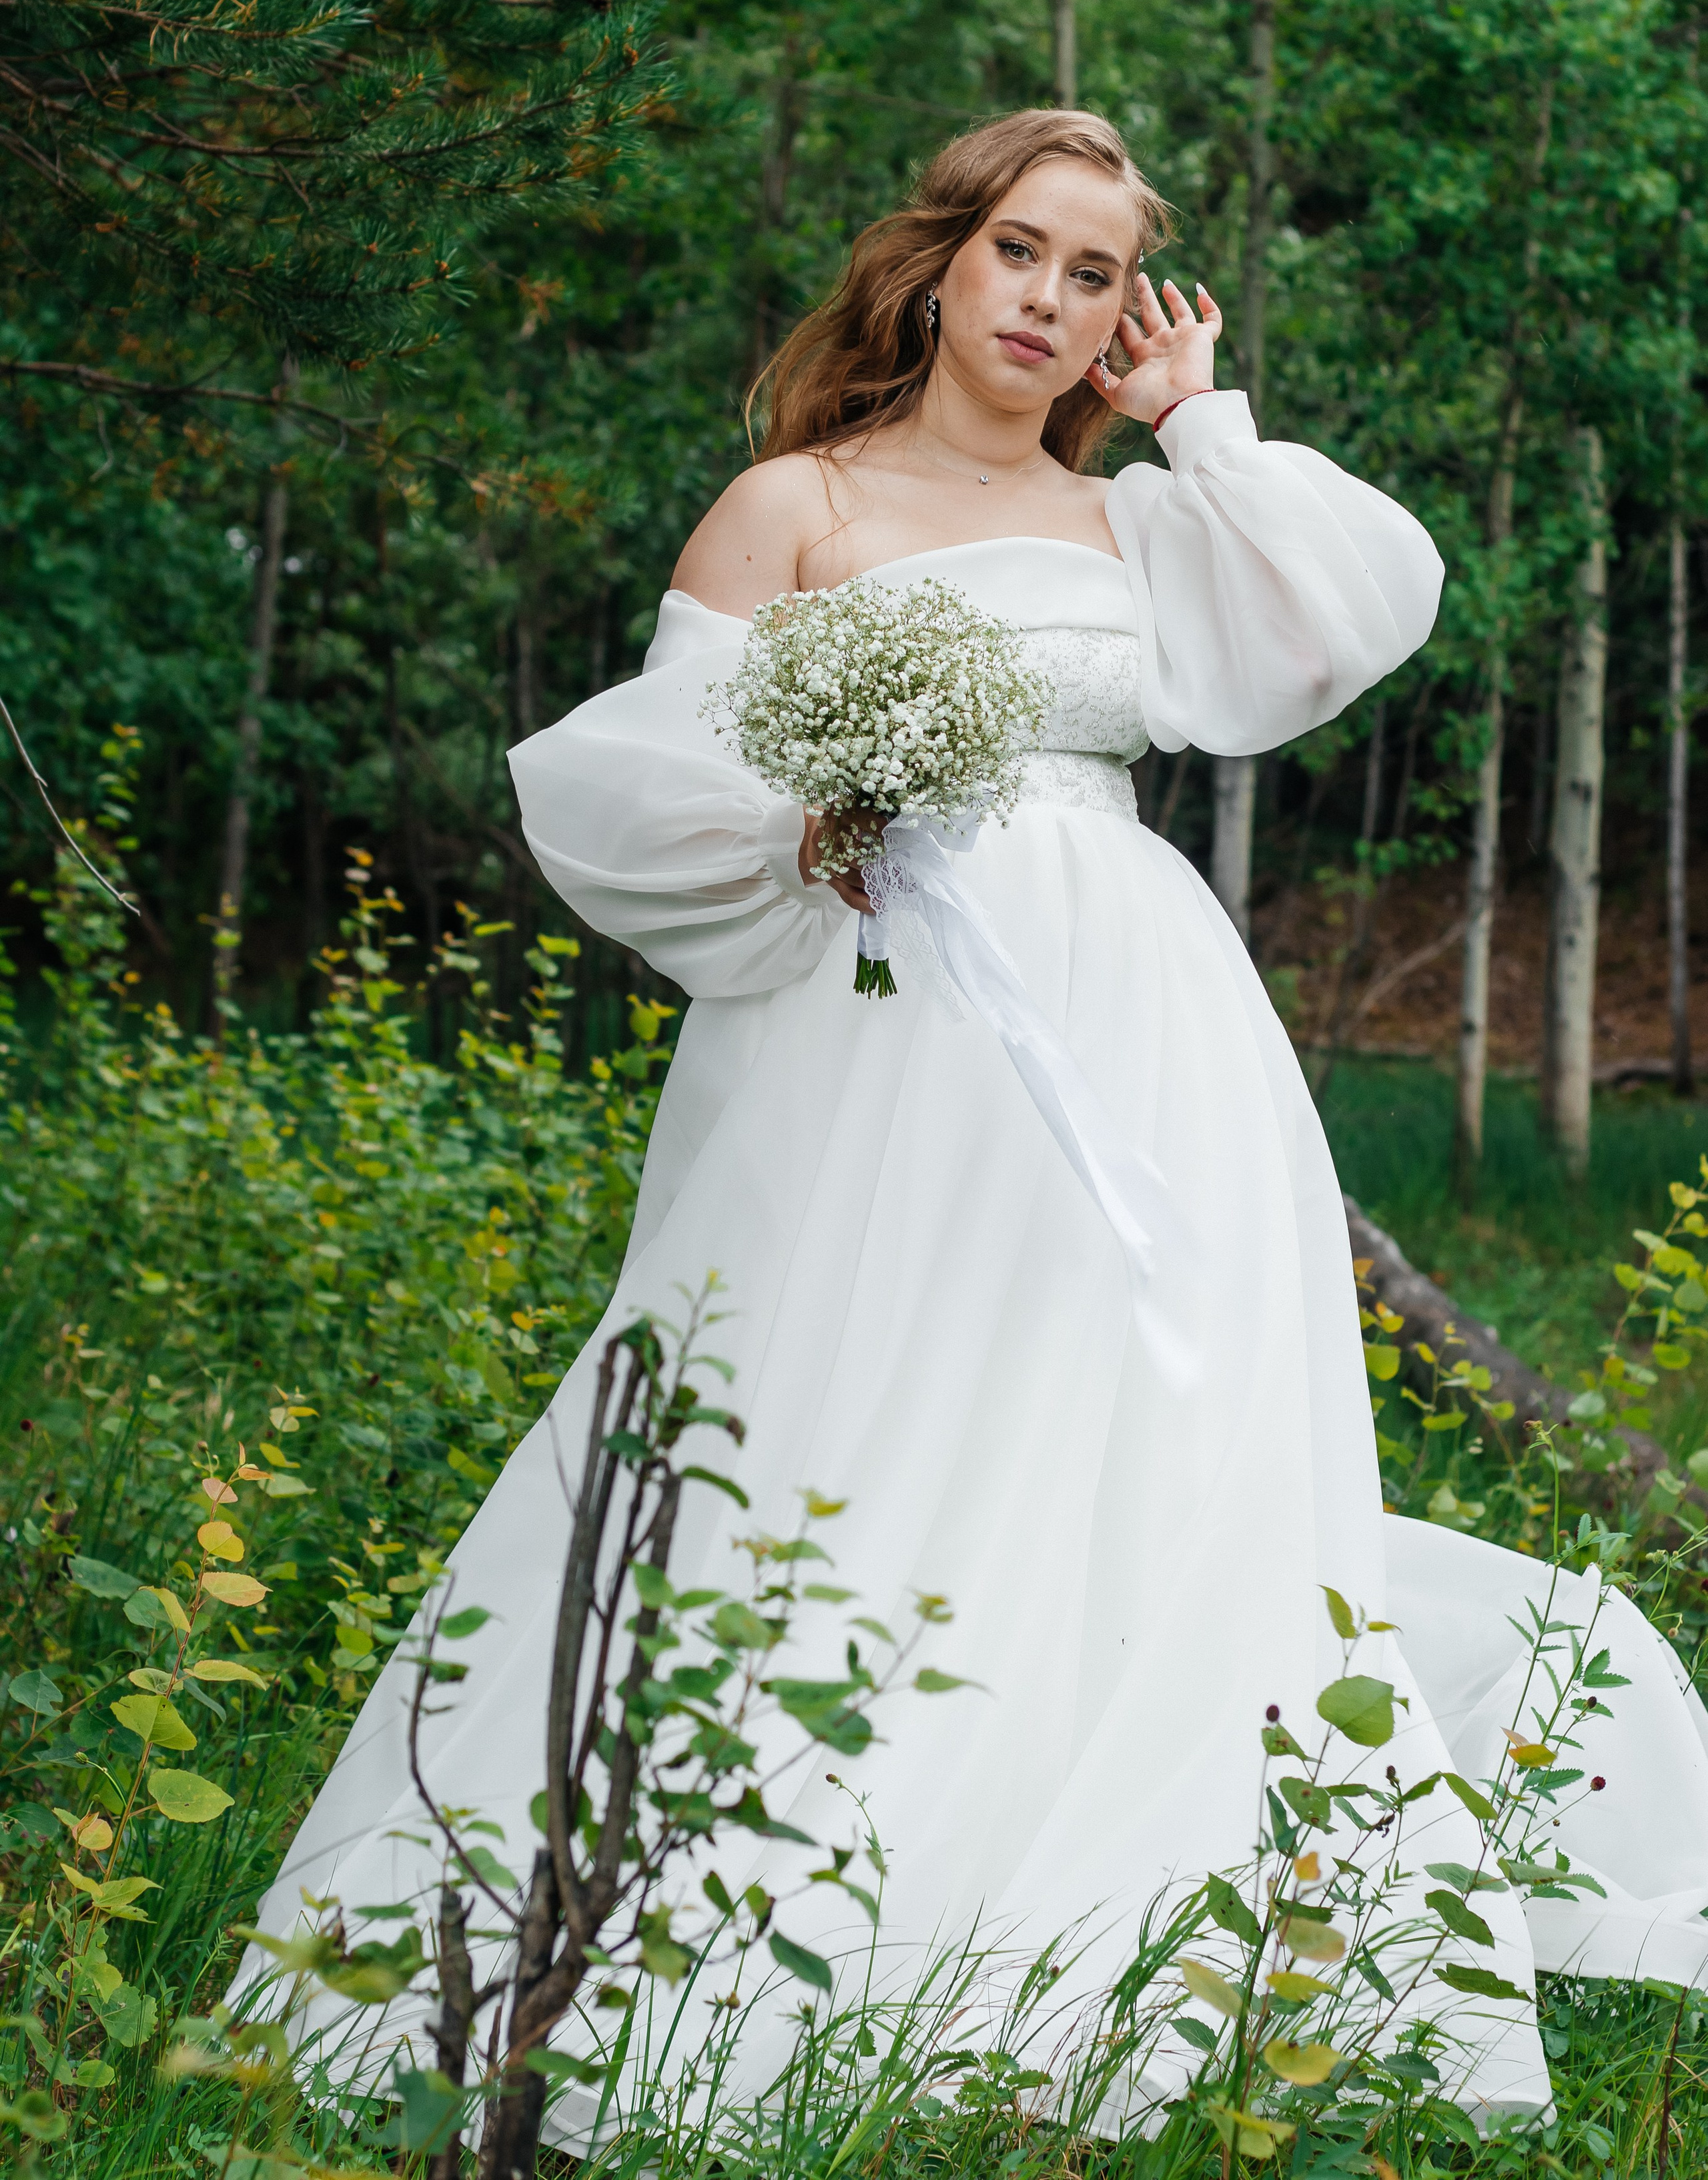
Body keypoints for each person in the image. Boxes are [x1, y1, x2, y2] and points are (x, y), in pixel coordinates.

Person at [245, 109, 1708, 2133]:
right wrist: (805, 821)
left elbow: (1365, 598)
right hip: (866, 1030)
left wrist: (1203, 425)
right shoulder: (794, 506)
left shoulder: (1139, 530)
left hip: (1140, 1025)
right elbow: (637, 794)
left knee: (1116, 1431)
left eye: (1098, 276)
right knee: (828, 1406)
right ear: (944, 263)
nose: (1051, 300)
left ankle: (1098, 1908)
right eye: (1026, 251)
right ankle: (723, 1913)